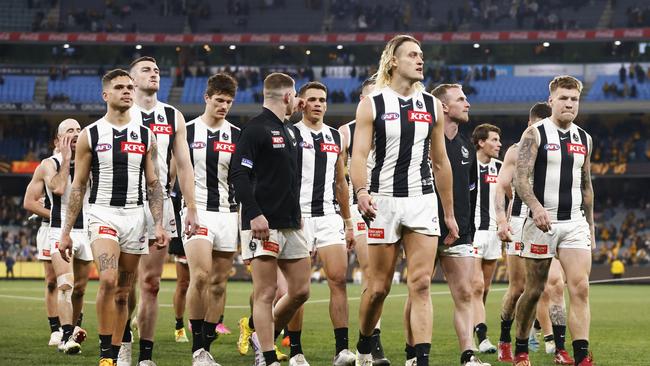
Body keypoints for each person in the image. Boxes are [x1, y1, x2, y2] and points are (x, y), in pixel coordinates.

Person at [351, 35, 458, 366]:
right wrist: (361, 192)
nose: (420, 60)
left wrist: (449, 214)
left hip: (422, 201)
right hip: (383, 202)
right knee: (379, 288)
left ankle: (420, 360)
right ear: (394, 61)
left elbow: (440, 162)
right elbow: (358, 155)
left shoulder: (432, 105)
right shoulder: (373, 103)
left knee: (422, 283)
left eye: (422, 55)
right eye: (413, 55)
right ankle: (364, 343)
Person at [58, 69, 169, 366]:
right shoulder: (90, 134)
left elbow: (154, 183)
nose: (127, 92)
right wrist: (66, 231)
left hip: (135, 217)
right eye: (120, 87)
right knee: (107, 279)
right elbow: (79, 185)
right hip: (102, 214)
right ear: (105, 95)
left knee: (123, 291)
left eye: (130, 87)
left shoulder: (147, 135)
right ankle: (106, 355)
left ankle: (118, 352)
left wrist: (158, 223)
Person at [512, 75, 595, 366]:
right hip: (541, 223)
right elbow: (519, 179)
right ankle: (521, 346)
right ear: (551, 101)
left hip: (574, 222)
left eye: (574, 99)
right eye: (563, 98)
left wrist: (591, 227)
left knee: (580, 287)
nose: (569, 104)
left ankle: (582, 354)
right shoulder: (535, 134)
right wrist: (535, 207)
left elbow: (586, 186)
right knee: (533, 290)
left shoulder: (584, 138)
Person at [231, 72, 311, 366]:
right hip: (262, 224)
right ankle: (267, 355)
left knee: (301, 290)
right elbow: (239, 174)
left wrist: (296, 214)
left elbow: (288, 178)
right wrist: (253, 214)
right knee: (265, 293)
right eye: (295, 97)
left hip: (290, 222)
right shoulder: (255, 129)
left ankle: (258, 333)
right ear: (288, 96)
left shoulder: (289, 130)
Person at [124, 56, 198, 366]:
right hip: (124, 202)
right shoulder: (121, 114)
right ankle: (123, 339)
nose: (154, 73)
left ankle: (145, 356)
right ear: (131, 79)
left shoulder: (173, 115)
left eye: (156, 69)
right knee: (124, 282)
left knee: (151, 283)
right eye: (146, 69)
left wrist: (191, 207)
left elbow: (184, 165)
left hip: (161, 204)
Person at [284, 81, 355, 366]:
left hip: (327, 216)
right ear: (301, 103)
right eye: (311, 99)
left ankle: (342, 350)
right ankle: (296, 352)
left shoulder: (336, 136)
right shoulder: (290, 133)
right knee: (298, 291)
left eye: (322, 100)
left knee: (338, 280)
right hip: (297, 217)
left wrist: (348, 222)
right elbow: (282, 178)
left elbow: (341, 181)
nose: (317, 104)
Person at [424, 83, 488, 366]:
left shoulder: (466, 147)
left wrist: (468, 231)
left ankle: (468, 355)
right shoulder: (423, 142)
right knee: (419, 290)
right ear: (444, 107)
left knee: (464, 293)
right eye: (461, 99)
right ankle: (414, 355)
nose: (468, 104)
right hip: (424, 228)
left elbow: (472, 193)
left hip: (459, 231)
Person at [183, 72, 241, 366]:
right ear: (206, 98)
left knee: (218, 283)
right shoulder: (187, 132)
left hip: (228, 214)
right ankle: (197, 349)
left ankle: (205, 347)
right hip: (197, 211)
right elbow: (174, 173)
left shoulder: (237, 136)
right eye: (219, 100)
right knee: (201, 276)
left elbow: (244, 181)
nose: (224, 106)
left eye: (228, 102)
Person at [338, 76, 390, 366]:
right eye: (372, 96)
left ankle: (367, 343)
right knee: (371, 273)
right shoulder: (346, 131)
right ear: (362, 100)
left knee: (379, 277)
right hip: (357, 205)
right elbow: (335, 173)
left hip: (387, 204)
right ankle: (370, 345)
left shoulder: (391, 127)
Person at [43, 119, 93, 354]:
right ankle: (64, 336)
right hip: (60, 230)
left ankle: (72, 330)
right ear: (58, 140)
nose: (75, 133)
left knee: (81, 289)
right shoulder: (49, 164)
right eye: (69, 131)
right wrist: (65, 159)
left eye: (78, 130)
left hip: (88, 230)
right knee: (65, 285)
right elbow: (59, 189)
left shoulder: (92, 161)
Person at [469, 123, 502, 354]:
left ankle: (474, 326)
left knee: (485, 288)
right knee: (476, 286)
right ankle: (482, 337)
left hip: (494, 234)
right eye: (494, 140)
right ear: (481, 142)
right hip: (473, 234)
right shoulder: (467, 165)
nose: (499, 144)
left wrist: (506, 222)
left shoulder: (500, 168)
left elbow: (512, 197)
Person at [23, 146, 61, 347]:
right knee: (52, 280)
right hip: (49, 228)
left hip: (78, 228)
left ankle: (72, 328)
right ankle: (55, 329)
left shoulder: (82, 164)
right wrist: (56, 215)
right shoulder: (46, 166)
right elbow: (30, 202)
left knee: (76, 283)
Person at [167, 181, 190, 344]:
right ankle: (179, 325)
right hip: (183, 236)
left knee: (206, 283)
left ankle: (200, 324)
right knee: (183, 284)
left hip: (208, 231)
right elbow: (172, 209)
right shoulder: (178, 184)